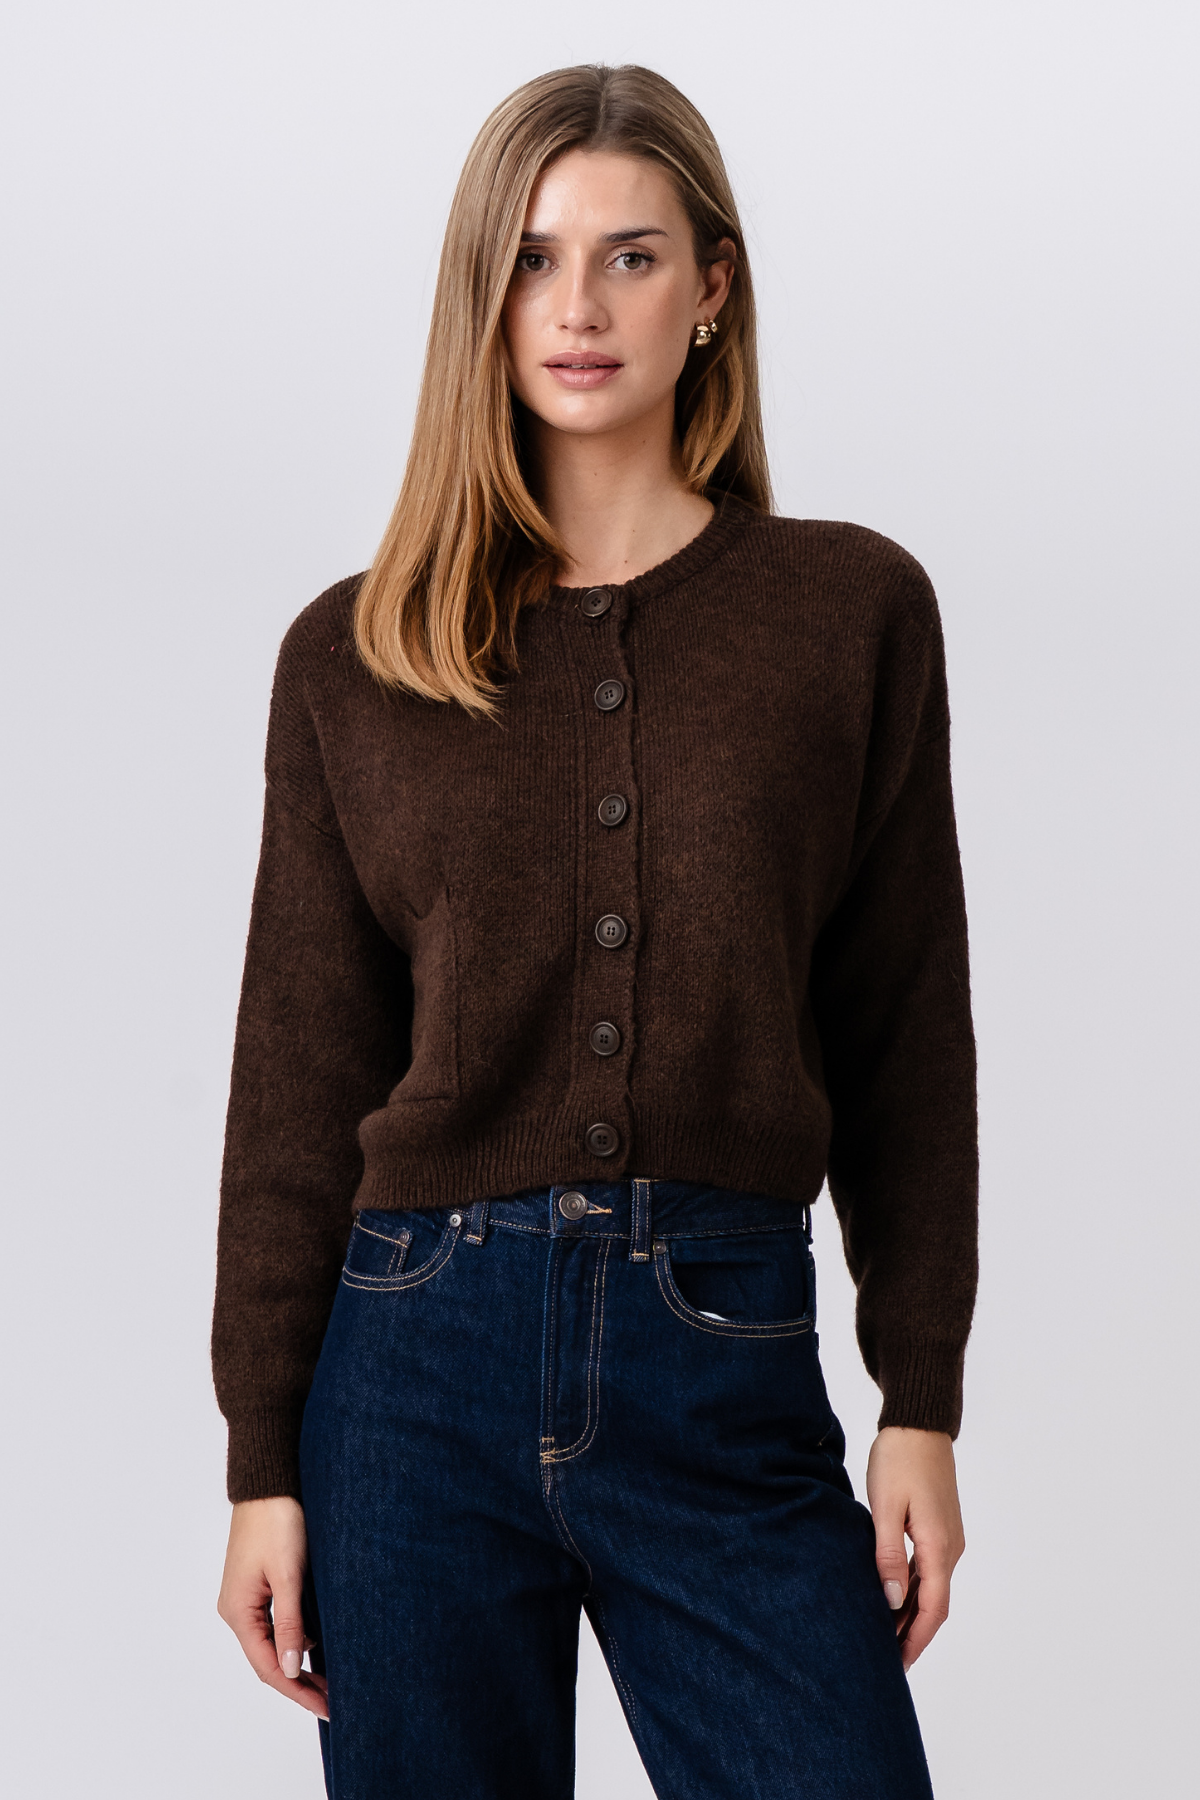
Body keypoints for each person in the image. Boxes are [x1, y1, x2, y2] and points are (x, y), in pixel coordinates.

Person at [213, 62, 977, 1800]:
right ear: (481, 299)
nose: (578, 307)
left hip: (723, 1352)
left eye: (631, 256)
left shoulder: (849, 613)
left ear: (712, 288)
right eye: (534, 260)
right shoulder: (360, 653)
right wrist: (263, 1456)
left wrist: (920, 1398)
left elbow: (904, 1034)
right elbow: (298, 1078)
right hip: (409, 1377)